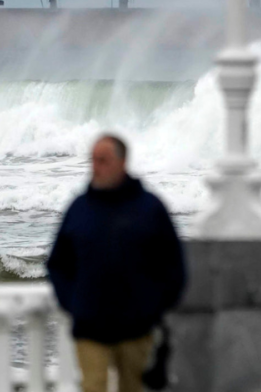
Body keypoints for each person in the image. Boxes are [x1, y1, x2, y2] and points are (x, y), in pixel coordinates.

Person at [47, 135, 186, 392]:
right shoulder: (79, 208)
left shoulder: (149, 208)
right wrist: (73, 303)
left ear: (122, 163)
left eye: (104, 160)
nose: (96, 167)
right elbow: (58, 264)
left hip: (137, 327)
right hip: (90, 326)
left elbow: (174, 265)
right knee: (94, 387)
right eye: (93, 160)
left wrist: (154, 308)